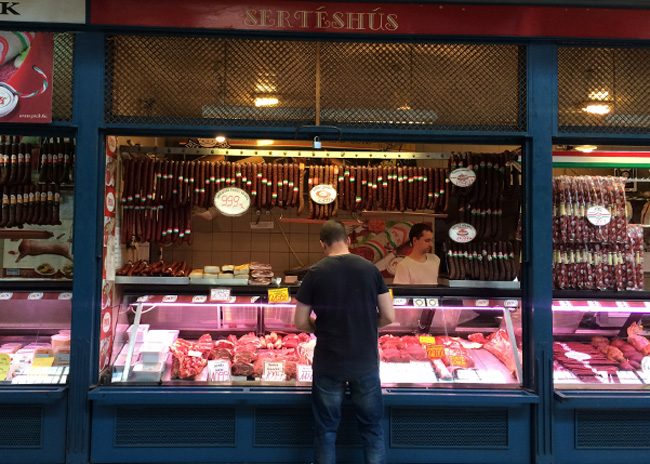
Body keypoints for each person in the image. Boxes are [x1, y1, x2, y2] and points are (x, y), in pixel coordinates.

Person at [294, 220, 395, 464]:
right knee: (372, 430)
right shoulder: (371, 269)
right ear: (349, 241)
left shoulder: (315, 273)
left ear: (322, 245)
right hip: (365, 362)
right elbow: (389, 316)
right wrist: (366, 327)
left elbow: (299, 322)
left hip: (329, 362)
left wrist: (322, 329)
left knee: (326, 432)